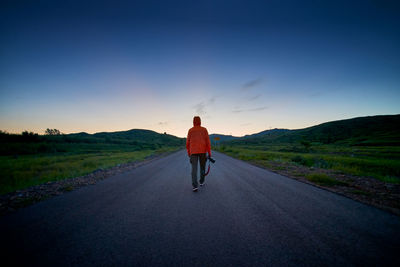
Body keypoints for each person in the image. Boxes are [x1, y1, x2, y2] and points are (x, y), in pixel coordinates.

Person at [186, 116, 211, 192]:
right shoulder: (204, 130)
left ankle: (194, 186)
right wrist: (209, 152)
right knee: (202, 167)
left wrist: (189, 153)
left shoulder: (190, 130)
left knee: (194, 169)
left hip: (193, 152)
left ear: (193, 122)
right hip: (203, 151)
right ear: (200, 121)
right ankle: (201, 181)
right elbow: (208, 142)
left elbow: (187, 143)